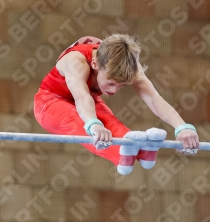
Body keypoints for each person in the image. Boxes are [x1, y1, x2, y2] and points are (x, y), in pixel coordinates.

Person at [34, 34, 199, 175]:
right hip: (50, 101)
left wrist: (182, 128)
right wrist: (93, 124)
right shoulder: (76, 61)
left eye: (122, 85)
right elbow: (82, 98)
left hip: (89, 100)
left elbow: (154, 98)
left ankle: (145, 151)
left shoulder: (130, 67)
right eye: (111, 83)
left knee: (114, 126)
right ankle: (120, 155)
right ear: (95, 64)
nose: (115, 90)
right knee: (80, 122)